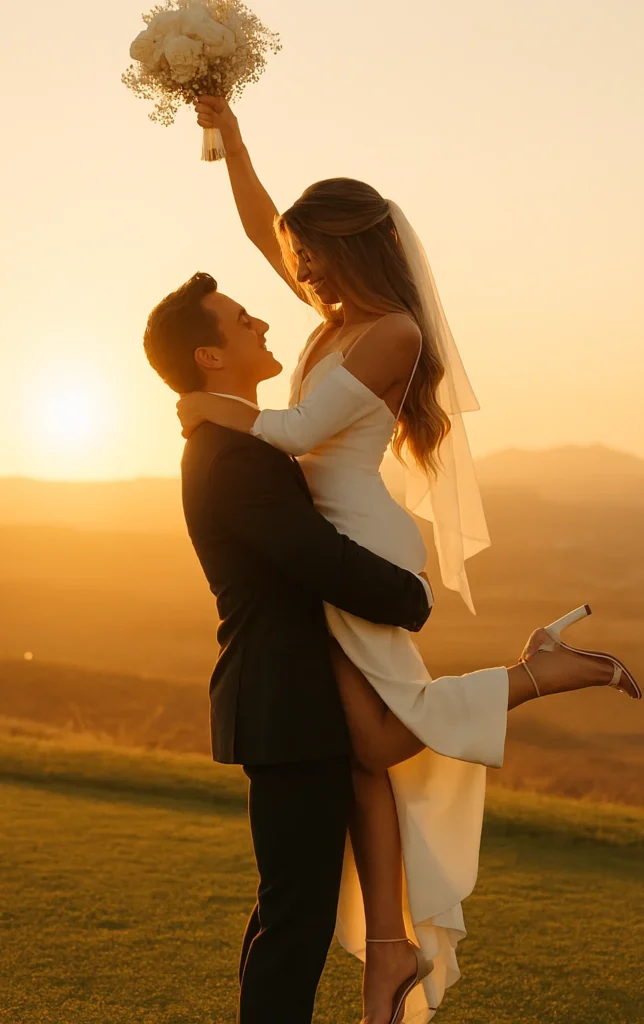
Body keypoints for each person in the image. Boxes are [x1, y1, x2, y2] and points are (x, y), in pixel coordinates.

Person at [176, 98, 642, 1024]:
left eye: (308, 255)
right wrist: (223, 126)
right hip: (334, 534)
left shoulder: (393, 330)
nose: (294, 269)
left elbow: (302, 429)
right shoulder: (335, 314)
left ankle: (536, 673)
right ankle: (388, 953)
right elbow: (255, 214)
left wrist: (204, 407)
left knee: (384, 738)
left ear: (347, 251)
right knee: (362, 756)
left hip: (362, 539)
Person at [143, 272, 435, 1024]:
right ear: (210, 357)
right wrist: (411, 597)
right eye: (242, 321)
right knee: (295, 919)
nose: (262, 324)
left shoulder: (235, 441)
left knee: (289, 906)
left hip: (291, 703)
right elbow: (317, 558)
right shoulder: (232, 456)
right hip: (285, 705)